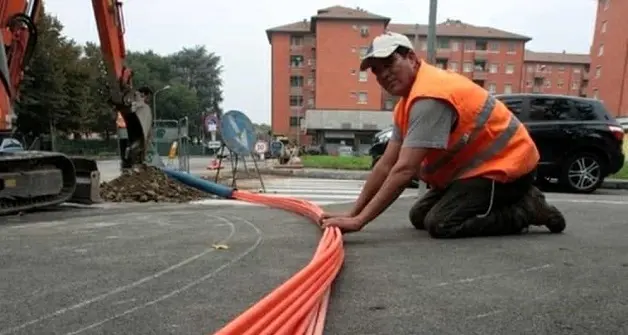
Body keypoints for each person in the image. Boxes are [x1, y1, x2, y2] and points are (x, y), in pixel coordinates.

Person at [320, 32, 566, 238]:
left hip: (506, 171)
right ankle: (518, 203)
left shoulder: (430, 97)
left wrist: (360, 221)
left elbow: (404, 170)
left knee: (441, 224)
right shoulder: (406, 105)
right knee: (419, 217)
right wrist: (352, 213)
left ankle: (528, 208)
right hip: (472, 174)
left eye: (389, 63)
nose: (383, 74)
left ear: (412, 59)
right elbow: (386, 165)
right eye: (376, 70)